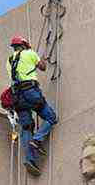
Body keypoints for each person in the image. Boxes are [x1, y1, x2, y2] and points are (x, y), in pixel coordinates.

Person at [7, 35, 57, 176]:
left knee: (27, 127)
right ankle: (37, 140)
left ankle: (30, 160)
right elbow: (43, 67)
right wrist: (35, 54)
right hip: (31, 92)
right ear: (24, 45)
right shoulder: (30, 53)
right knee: (51, 117)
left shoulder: (10, 60)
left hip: (17, 98)